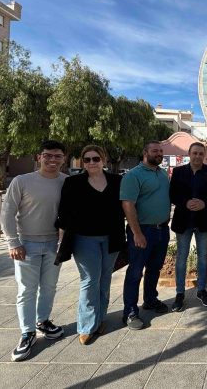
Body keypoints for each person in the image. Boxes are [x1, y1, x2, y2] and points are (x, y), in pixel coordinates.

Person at [1, 140, 67, 362]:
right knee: (27, 290)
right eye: (48, 155)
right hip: (26, 244)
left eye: (57, 156)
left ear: (63, 159)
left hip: (53, 245)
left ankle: (43, 321)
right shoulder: (22, 181)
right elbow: (7, 213)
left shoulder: (66, 182)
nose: (52, 160)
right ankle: (27, 332)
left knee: (49, 287)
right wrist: (13, 243)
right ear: (39, 157)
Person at [56, 145, 125, 345]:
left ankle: (100, 318)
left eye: (96, 159)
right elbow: (64, 211)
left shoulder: (117, 181)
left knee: (104, 279)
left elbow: (127, 206)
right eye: (87, 159)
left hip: (111, 237)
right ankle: (86, 326)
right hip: (84, 238)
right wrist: (60, 237)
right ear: (82, 162)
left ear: (103, 160)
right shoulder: (73, 182)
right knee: (89, 280)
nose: (91, 163)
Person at [120, 141, 171, 330]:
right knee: (135, 272)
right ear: (145, 153)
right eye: (155, 151)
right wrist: (137, 233)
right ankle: (130, 312)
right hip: (142, 231)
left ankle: (150, 299)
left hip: (162, 230)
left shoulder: (162, 173)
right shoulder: (134, 175)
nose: (159, 154)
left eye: (161, 151)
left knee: (154, 268)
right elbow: (128, 205)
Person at [170, 142, 207, 311]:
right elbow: (173, 194)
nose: (198, 156)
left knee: (203, 257)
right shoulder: (178, 172)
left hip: (203, 222)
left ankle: (201, 290)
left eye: (201, 154)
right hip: (184, 221)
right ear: (189, 154)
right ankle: (179, 293)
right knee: (181, 258)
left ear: (204, 155)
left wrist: (204, 203)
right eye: (195, 153)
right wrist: (185, 202)